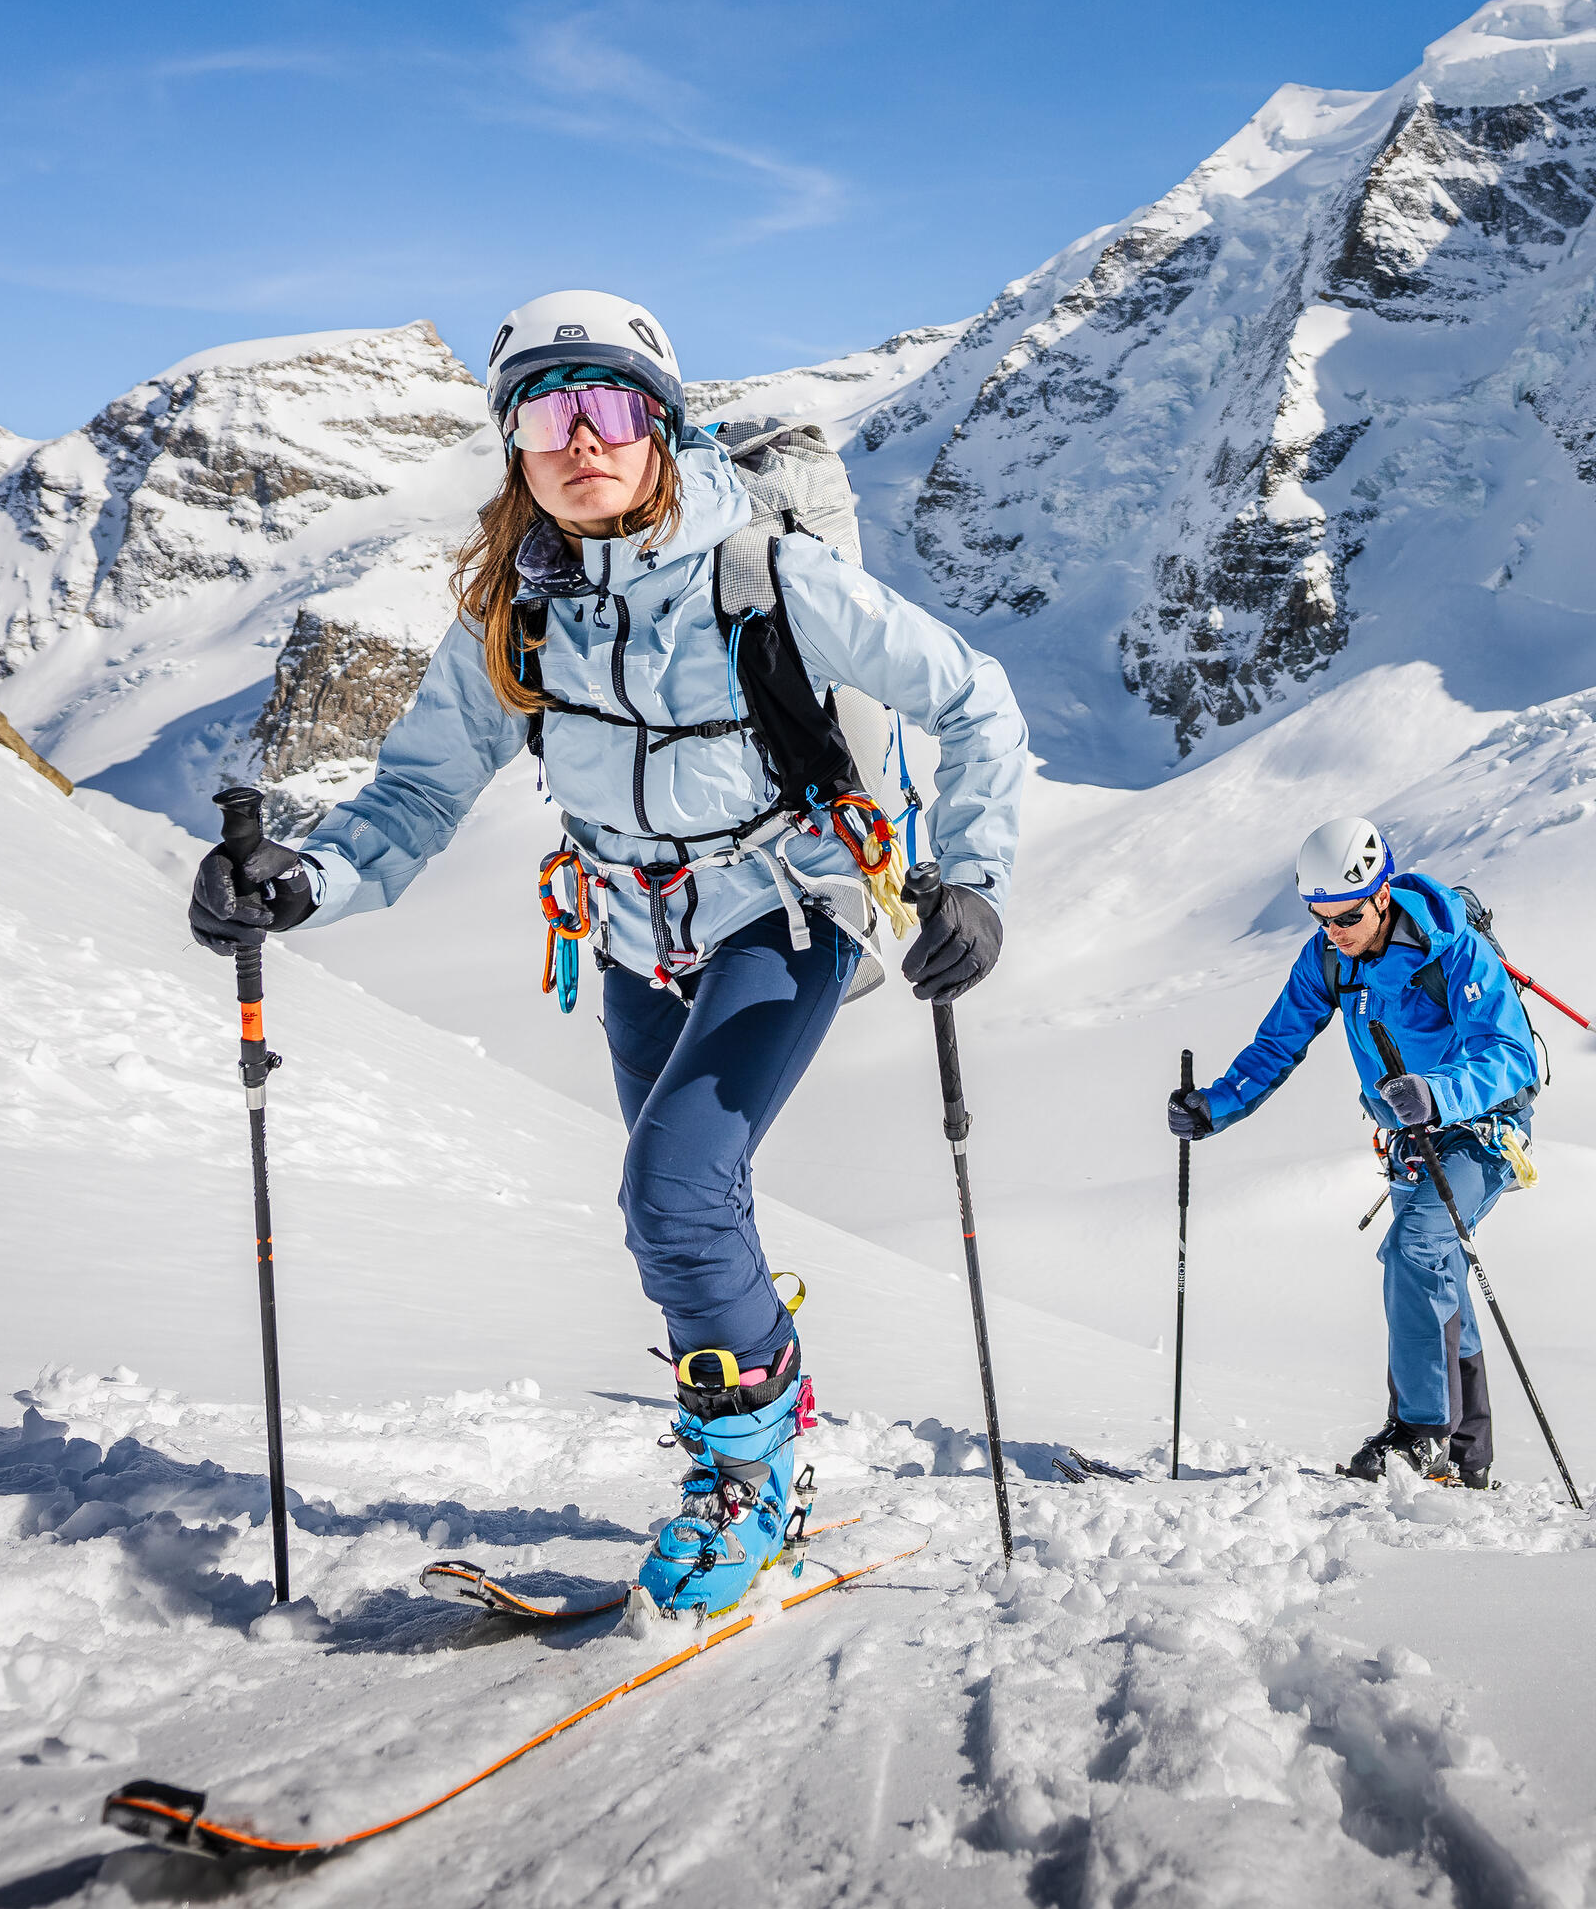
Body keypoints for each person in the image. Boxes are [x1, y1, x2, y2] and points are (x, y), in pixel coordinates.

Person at [186, 289, 1027, 1614]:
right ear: (513, 445)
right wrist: (301, 883)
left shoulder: (768, 578)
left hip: (784, 915)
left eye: (610, 406)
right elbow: (414, 798)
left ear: (662, 427)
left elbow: (976, 701)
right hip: (634, 940)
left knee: (673, 1192)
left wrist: (972, 882)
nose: (580, 437)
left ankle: (746, 1484)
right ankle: (758, 1443)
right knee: (675, 1212)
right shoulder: (515, 615)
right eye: (545, 411)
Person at [1168, 817, 1539, 1487]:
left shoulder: (1453, 949)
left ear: (1382, 893)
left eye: (1347, 916)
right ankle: (1467, 1453)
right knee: (1438, 1271)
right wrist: (1214, 1106)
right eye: (1321, 917)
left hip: (1483, 1131)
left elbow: (1511, 1055)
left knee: (1415, 1250)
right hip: (1408, 1138)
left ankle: (1421, 1433)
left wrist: (1437, 1092)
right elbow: (1278, 1043)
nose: (1334, 930)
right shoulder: (1328, 959)